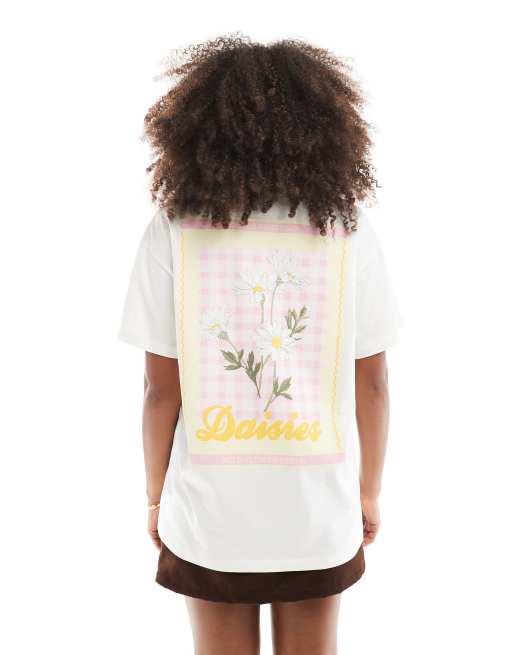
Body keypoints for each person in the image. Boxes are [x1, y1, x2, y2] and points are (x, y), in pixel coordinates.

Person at [118, 32, 403, 655]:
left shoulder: (174, 228)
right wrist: (367, 492)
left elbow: (160, 389)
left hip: (211, 510)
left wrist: (156, 497)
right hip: (316, 506)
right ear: (326, 129)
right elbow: (374, 381)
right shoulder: (346, 228)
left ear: (198, 131)